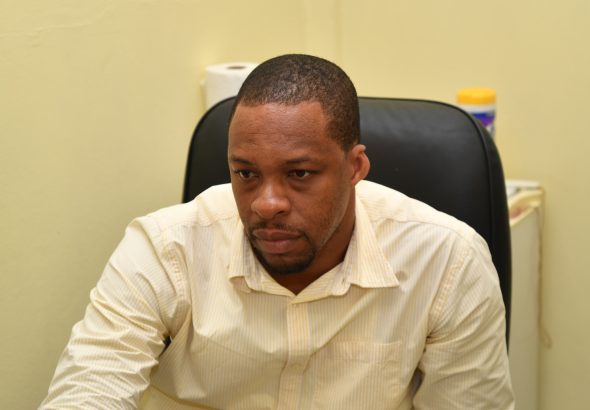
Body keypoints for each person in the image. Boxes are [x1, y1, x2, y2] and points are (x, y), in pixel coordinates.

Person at [41, 54, 514, 409]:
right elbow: (89, 388)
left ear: (355, 167)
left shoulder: (448, 262)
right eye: (246, 173)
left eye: (299, 174)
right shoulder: (165, 249)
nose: (266, 204)